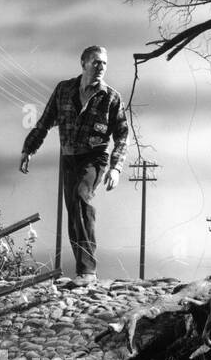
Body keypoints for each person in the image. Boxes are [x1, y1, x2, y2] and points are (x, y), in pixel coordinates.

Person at [19, 46, 129, 289]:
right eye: (96, 63)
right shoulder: (64, 90)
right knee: (73, 214)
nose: (101, 68)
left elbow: (122, 135)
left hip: (94, 159)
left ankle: (89, 271)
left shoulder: (111, 97)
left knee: (82, 198)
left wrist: (115, 168)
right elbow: (45, 121)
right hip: (69, 158)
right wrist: (28, 149)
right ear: (83, 63)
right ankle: (82, 272)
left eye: (104, 64)